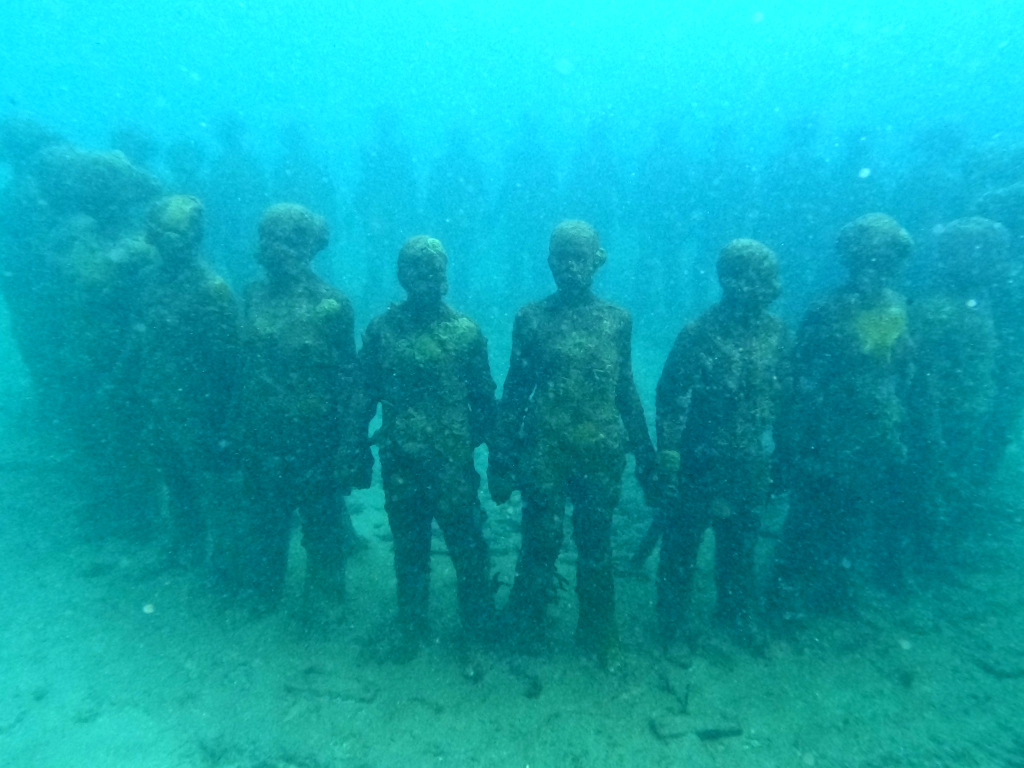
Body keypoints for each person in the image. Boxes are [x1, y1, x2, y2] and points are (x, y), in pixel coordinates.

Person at [490, 220, 656, 667]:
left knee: (595, 540)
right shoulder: (531, 318)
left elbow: (625, 389)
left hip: (600, 451)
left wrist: (646, 454)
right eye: (561, 256)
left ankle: (598, 628)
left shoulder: (617, 320)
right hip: (545, 448)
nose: (569, 266)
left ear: (596, 261)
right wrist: (501, 457)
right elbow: (516, 389)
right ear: (548, 261)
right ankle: (526, 618)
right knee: (540, 538)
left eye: (579, 257)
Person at [358, 235, 497, 663]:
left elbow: (484, 400)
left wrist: (486, 452)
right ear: (401, 276)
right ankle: (411, 624)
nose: (428, 275)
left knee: (467, 544)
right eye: (417, 267)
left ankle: (476, 630)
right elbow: (363, 394)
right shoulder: (381, 331)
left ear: (447, 275)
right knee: (408, 544)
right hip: (400, 460)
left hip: (451, 464)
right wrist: (353, 447)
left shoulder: (465, 333)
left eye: (435, 267)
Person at [769, 214, 916, 620]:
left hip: (874, 430)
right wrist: (794, 437)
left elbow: (900, 367)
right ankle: (785, 589)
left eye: (883, 263)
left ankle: (837, 586)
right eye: (865, 261)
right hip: (826, 429)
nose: (873, 271)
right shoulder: (827, 309)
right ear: (850, 260)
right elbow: (798, 373)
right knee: (808, 512)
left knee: (855, 511)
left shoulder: (898, 305)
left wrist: (896, 419)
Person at [654, 239, 787, 656]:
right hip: (700, 459)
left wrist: (785, 453)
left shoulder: (778, 334)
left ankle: (735, 613)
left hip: (749, 460)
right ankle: (671, 624)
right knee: (682, 545)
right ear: (728, 280)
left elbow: (787, 399)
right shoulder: (699, 333)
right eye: (752, 278)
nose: (764, 287)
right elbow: (671, 396)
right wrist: (670, 457)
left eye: (767, 279)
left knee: (740, 544)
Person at [234, 203, 368, 611]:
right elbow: (243, 367)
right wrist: (237, 427)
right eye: (269, 237)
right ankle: (264, 589)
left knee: (321, 519)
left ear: (311, 245)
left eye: (290, 239)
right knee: (266, 516)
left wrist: (349, 444)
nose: (277, 248)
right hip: (263, 433)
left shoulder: (332, 305)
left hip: (314, 436)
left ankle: (325, 600)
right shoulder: (252, 294)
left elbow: (349, 379)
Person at [127, 195, 241, 576]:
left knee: (211, 485)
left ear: (193, 238)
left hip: (198, 406)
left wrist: (224, 422)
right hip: (159, 399)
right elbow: (141, 342)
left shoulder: (212, 291)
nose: (165, 243)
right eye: (159, 235)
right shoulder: (147, 280)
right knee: (173, 476)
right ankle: (183, 544)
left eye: (174, 236)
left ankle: (223, 559)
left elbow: (228, 364)